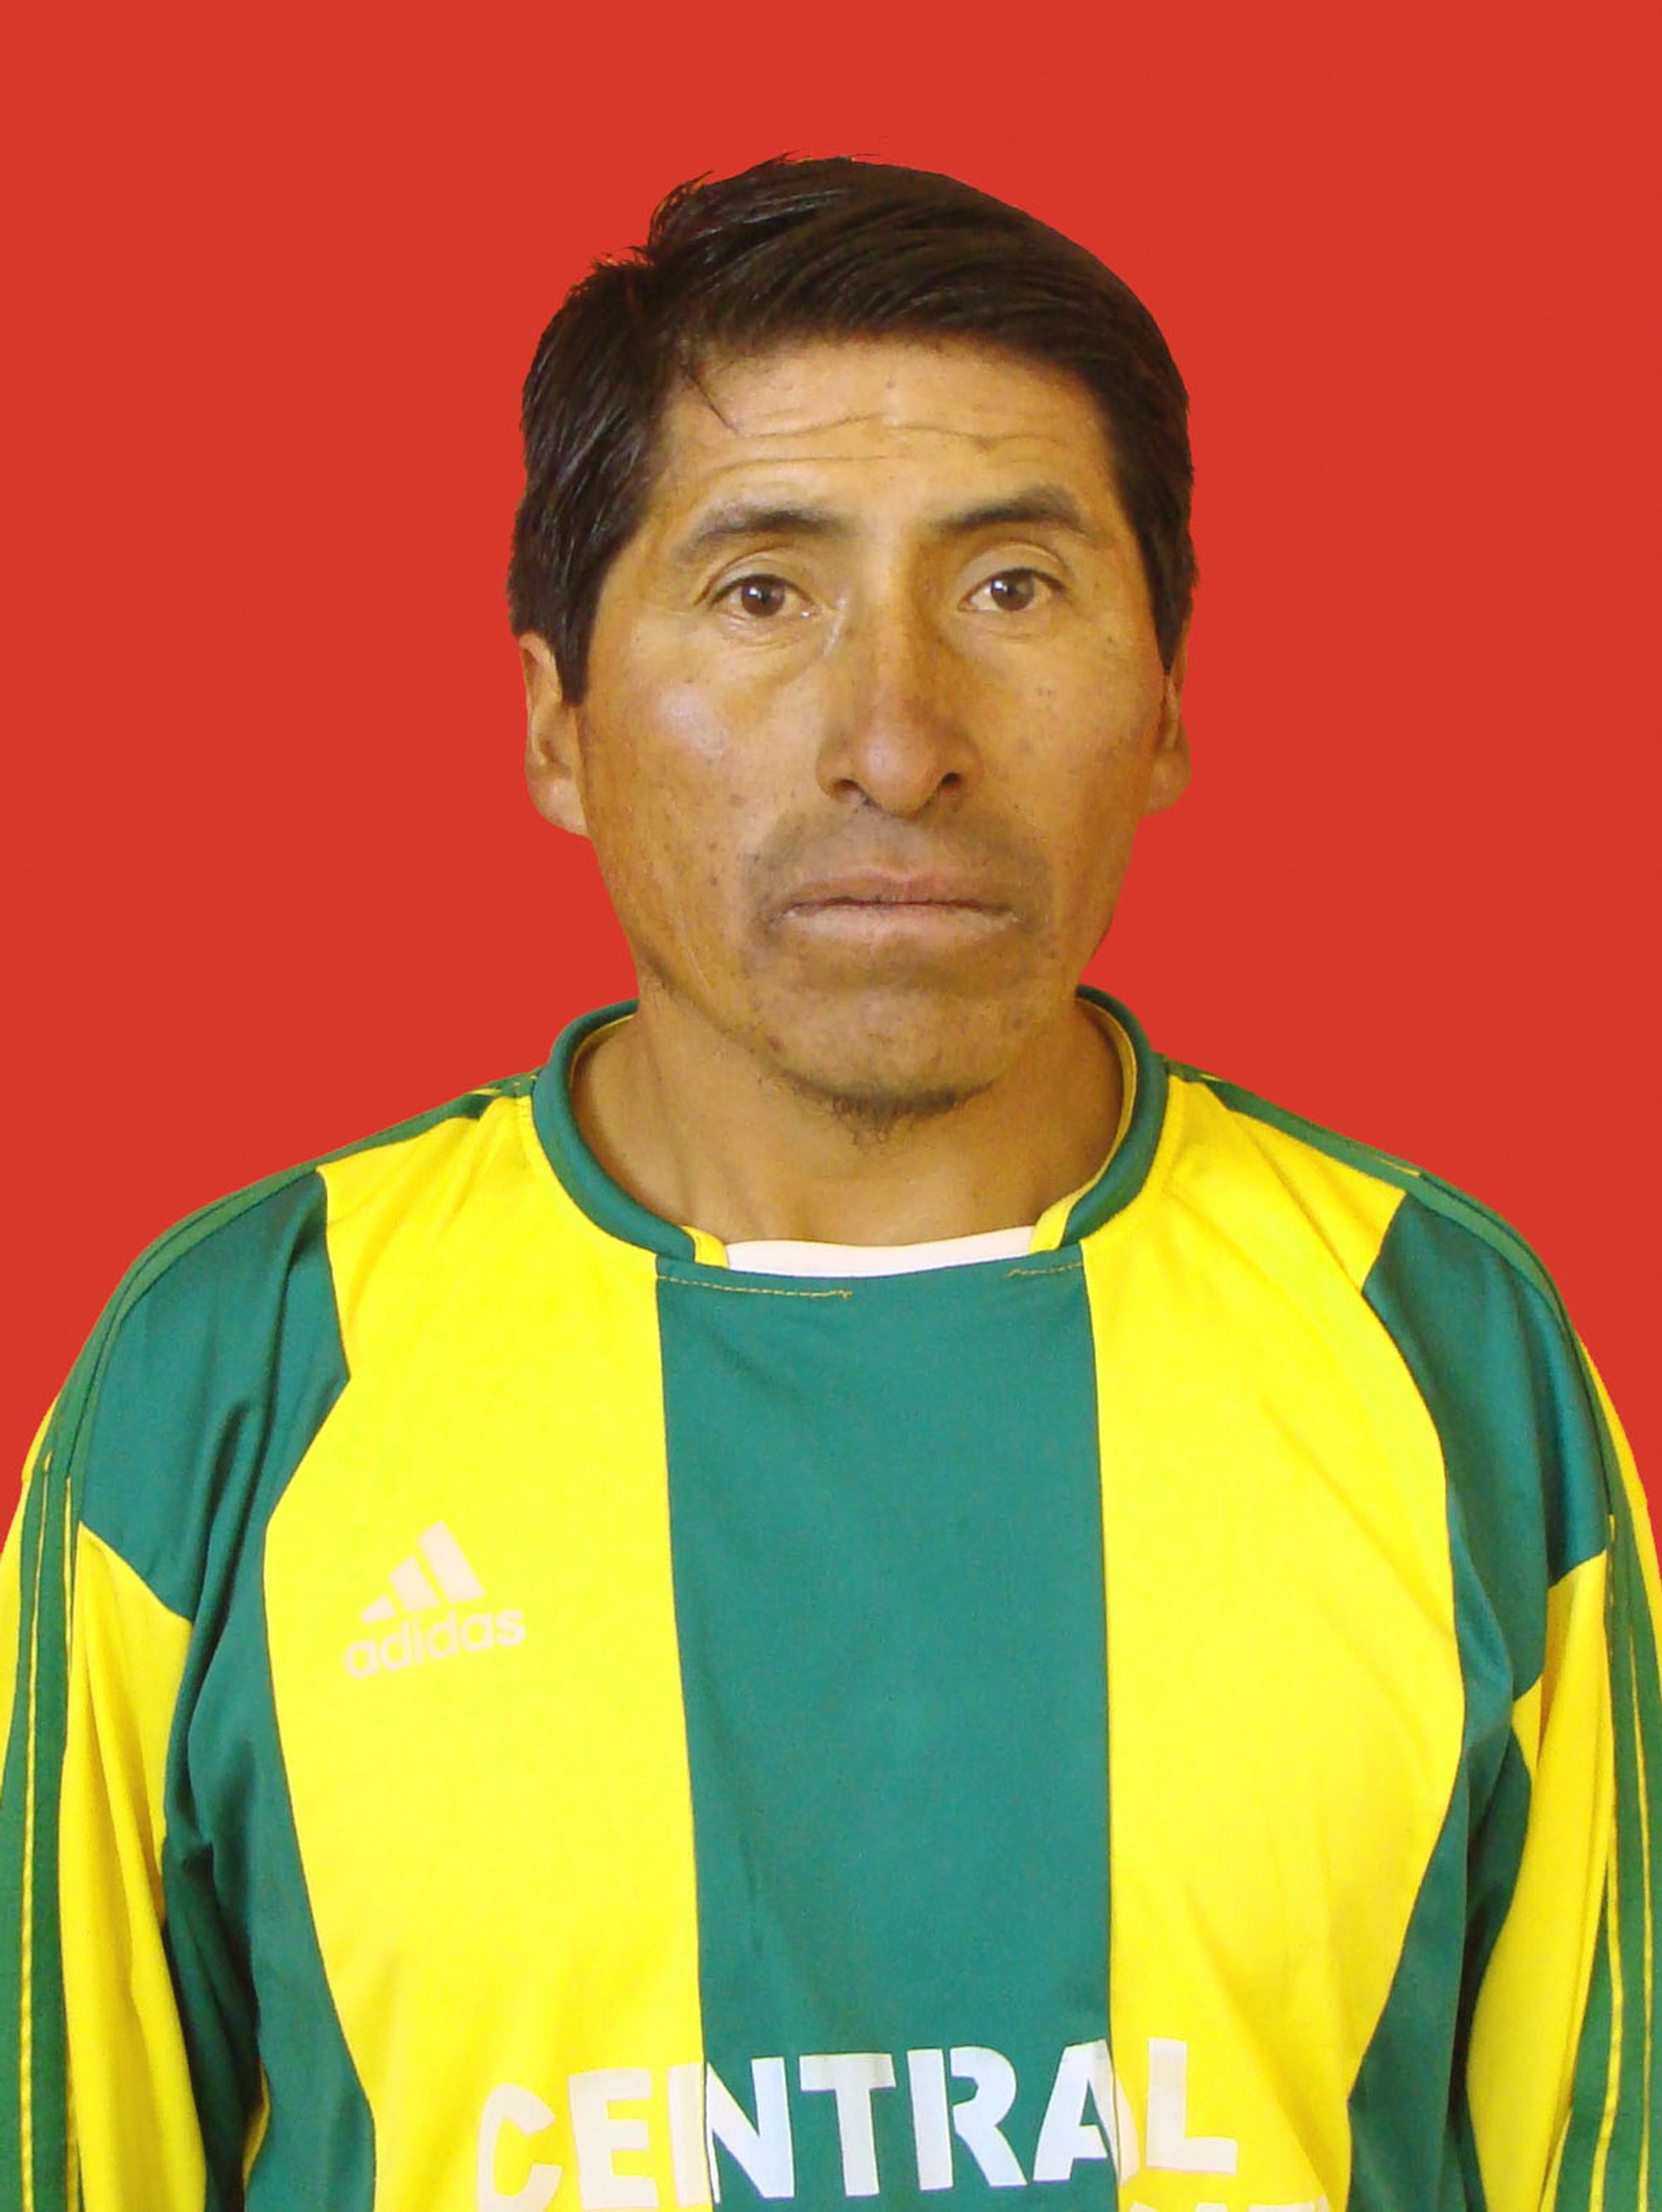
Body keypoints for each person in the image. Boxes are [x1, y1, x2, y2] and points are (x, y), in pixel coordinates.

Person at [1, 155, 1655, 2212]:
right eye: (762, 591)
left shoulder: (1439, 1349)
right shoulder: (240, 1376)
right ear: (555, 721)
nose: (894, 741)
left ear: (1165, 704)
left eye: (1012, 588)